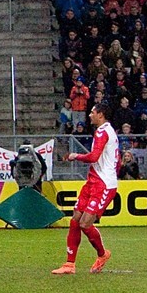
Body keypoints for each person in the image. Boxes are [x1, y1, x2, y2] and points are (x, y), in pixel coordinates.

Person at [53, 104, 119, 275]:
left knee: (85, 223)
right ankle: (69, 264)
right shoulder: (106, 131)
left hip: (103, 184)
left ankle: (102, 254)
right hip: (93, 180)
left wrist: (76, 156)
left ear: (101, 115)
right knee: (75, 219)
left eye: (92, 112)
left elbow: (94, 157)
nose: (89, 115)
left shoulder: (103, 132)